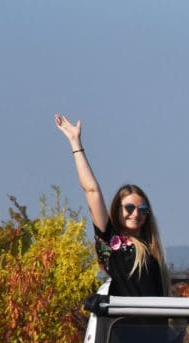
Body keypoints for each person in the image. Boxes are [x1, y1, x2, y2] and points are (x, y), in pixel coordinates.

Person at [55, 114, 170, 297]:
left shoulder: (151, 249)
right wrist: (76, 144)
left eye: (142, 210)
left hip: (154, 317)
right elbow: (91, 191)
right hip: (126, 317)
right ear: (117, 209)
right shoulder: (111, 240)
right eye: (129, 208)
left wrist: (184, 278)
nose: (136, 214)